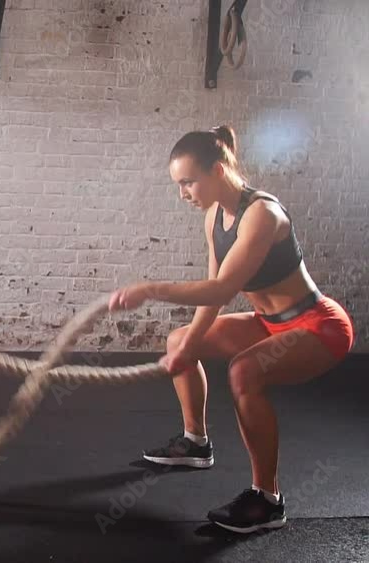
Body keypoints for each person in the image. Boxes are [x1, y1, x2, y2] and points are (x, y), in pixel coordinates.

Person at [107, 125, 355, 534]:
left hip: (319, 325)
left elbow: (223, 286)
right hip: (269, 324)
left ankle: (267, 501)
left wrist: (151, 289)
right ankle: (195, 443)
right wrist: (188, 344)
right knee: (179, 340)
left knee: (244, 370)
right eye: (179, 184)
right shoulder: (214, 218)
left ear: (218, 170)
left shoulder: (263, 214)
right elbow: (214, 295)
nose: (182, 193)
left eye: (188, 182)